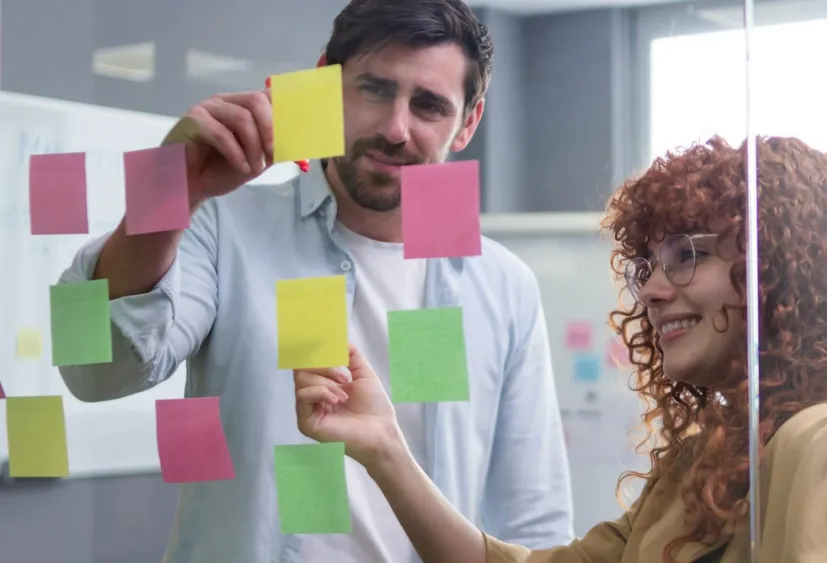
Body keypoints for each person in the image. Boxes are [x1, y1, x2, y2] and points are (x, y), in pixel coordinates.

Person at [294, 135, 827, 562]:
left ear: (781, 267)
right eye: (647, 263)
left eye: (689, 254)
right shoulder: (709, 457)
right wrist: (384, 446)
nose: (652, 287)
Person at [56, 1, 573, 562]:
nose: (396, 129)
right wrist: (170, 190)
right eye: (374, 90)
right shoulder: (223, 225)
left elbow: (533, 514)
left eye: (428, 105)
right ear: (325, 82)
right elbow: (92, 371)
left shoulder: (501, 285)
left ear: (467, 122)